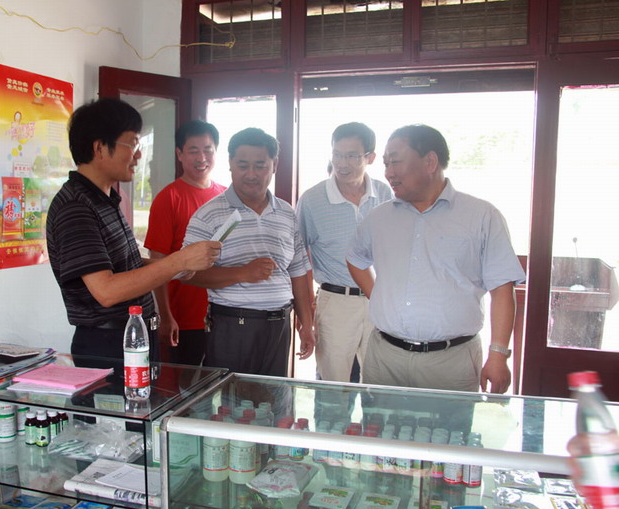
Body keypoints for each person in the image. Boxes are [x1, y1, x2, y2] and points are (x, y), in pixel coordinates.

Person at [346, 124, 525, 394]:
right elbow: (355, 258)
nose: (388, 173)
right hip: (385, 358)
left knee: (449, 423)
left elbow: (502, 289)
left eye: (395, 162)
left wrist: (498, 355)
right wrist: (379, 295)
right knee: (378, 421)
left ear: (430, 162)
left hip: (451, 362)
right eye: (386, 164)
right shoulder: (378, 218)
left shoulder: (481, 216)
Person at [46, 98, 221, 366]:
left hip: (132, 335)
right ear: (100, 148)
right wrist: (179, 261)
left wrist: (175, 268)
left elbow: (123, 265)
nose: (139, 155)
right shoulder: (76, 207)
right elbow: (106, 290)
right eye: (133, 144)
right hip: (107, 344)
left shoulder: (103, 199)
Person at [182, 127, 315, 377]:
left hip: (279, 325)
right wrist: (242, 273)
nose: (251, 174)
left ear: (274, 165)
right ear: (230, 164)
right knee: (232, 399)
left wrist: (306, 324)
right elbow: (187, 273)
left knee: (274, 397)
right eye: (243, 165)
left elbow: (298, 271)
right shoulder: (209, 214)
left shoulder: (286, 212)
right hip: (233, 326)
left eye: (260, 165)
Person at [296, 122, 393, 383]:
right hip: (336, 302)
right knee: (333, 386)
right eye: (337, 154)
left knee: (380, 383)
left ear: (370, 157)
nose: (342, 163)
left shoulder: (385, 194)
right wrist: (305, 317)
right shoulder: (313, 199)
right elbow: (297, 259)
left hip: (379, 301)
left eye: (351, 155)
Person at [144, 120, 226, 366]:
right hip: (184, 319)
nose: (202, 158)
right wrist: (166, 316)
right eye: (193, 151)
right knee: (184, 384)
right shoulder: (168, 198)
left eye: (208, 150)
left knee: (223, 383)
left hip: (224, 314)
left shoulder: (226, 197)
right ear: (180, 154)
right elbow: (157, 263)